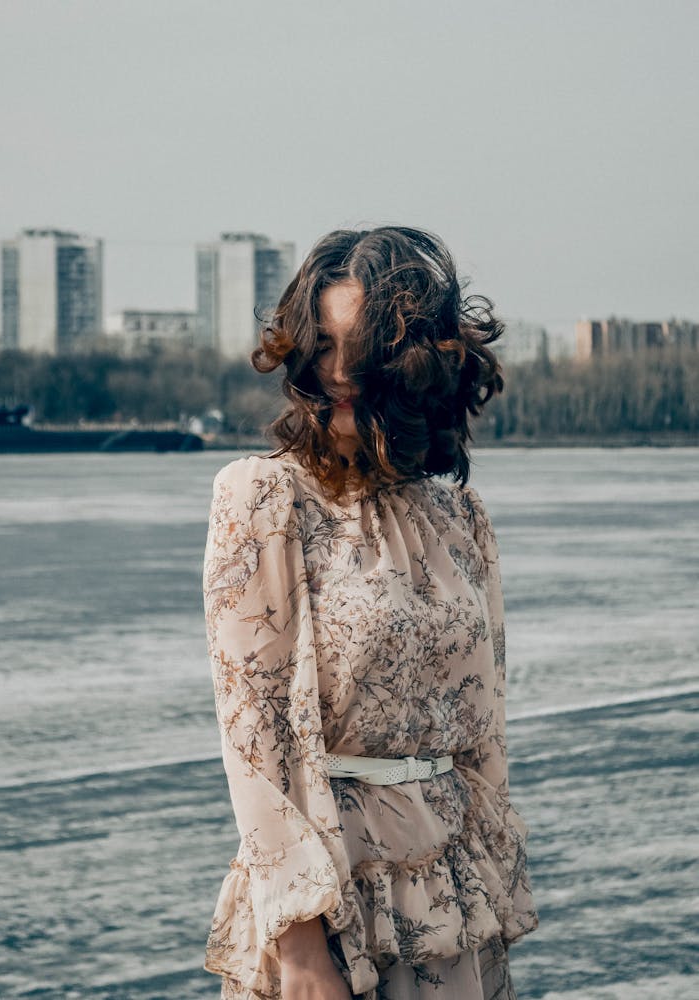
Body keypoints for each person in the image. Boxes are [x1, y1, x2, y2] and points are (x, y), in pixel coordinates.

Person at [202, 226, 538, 1000]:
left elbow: (484, 736)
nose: (339, 371)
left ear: (418, 362)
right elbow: (255, 741)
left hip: (457, 904)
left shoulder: (462, 519)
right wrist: (301, 949)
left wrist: (493, 896)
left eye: (364, 348)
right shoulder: (262, 497)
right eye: (322, 344)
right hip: (335, 905)